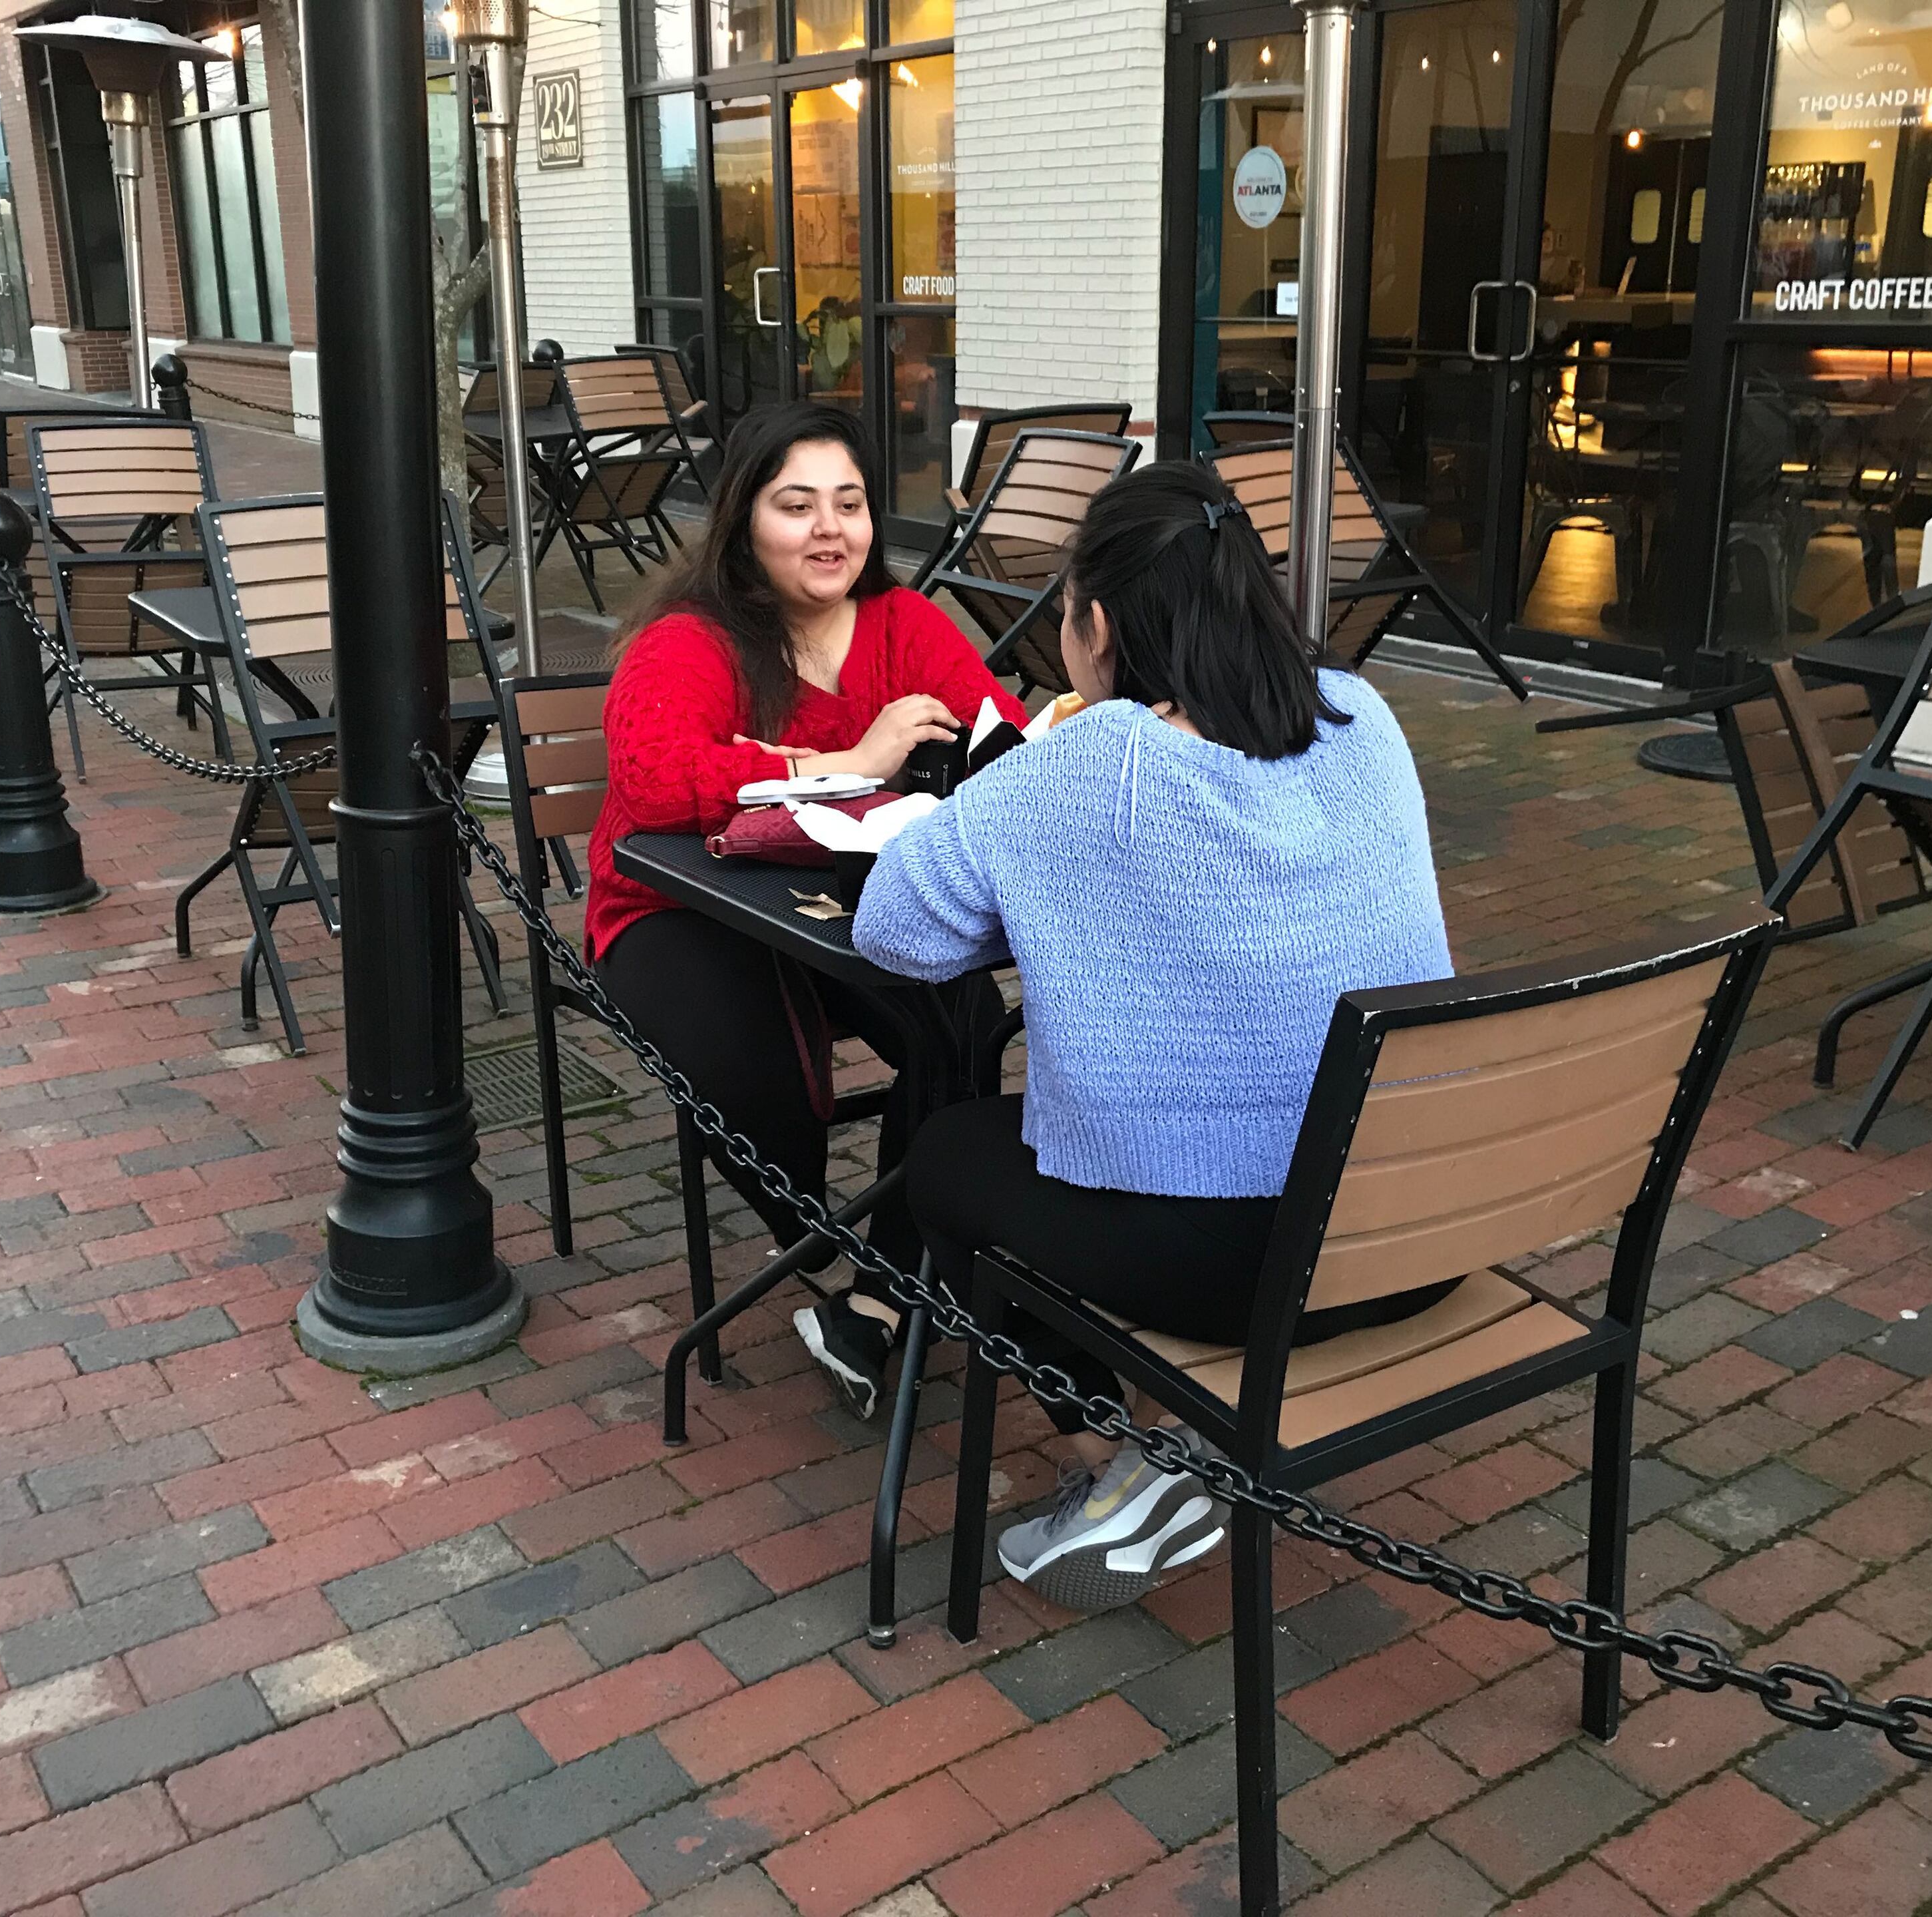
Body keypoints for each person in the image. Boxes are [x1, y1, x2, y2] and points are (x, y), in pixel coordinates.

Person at [850, 462, 1457, 1613]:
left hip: (1256, 1275)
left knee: (953, 1159)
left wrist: (1035, 785)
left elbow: (899, 932)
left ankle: (1131, 1465)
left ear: (1099, 626)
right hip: (1427, 1228)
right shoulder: (1364, 717)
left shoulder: (1084, 765)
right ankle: (1163, 1442)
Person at [586, 402, 1025, 1414]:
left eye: (851, 503)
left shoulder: (906, 625)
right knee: (756, 1073)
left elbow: (996, 739)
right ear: (744, 518)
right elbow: (655, 783)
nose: (831, 530)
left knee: (956, 1023)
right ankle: (816, 1247)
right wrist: (851, 761)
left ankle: (879, 1301)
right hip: (676, 910)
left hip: (842, 905)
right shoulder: (689, 641)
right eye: (797, 505)